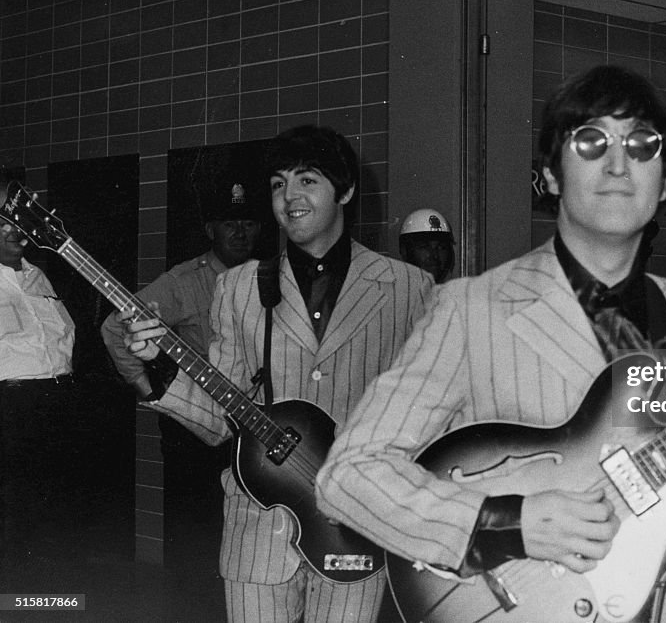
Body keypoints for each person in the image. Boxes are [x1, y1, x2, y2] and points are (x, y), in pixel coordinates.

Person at [316, 65, 666, 623]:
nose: (617, 164)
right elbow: (349, 474)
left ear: (662, 184)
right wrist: (506, 523)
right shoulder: (472, 310)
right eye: (590, 142)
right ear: (552, 176)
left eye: (641, 145)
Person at [119, 126, 434, 622]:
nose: (290, 198)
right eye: (278, 184)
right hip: (258, 532)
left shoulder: (407, 288)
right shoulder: (240, 287)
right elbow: (222, 418)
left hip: (354, 532)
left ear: (345, 190)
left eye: (307, 181)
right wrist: (160, 367)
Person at [101, 177, 263, 399]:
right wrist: (147, 390)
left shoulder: (266, 278)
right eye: (229, 224)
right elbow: (114, 327)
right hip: (197, 409)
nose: (240, 233)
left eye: (248, 224)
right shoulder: (184, 281)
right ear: (210, 230)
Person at [0, 170, 77, 577]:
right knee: (14, 523)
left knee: (54, 522)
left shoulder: (38, 276)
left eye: (18, 220)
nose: (15, 230)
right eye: (2, 220)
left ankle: (50, 602)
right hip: (10, 408)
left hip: (56, 403)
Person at [399, 208, 456, 283]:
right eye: (424, 247)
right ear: (405, 251)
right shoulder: (393, 293)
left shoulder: (452, 293)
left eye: (441, 247)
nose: (434, 255)